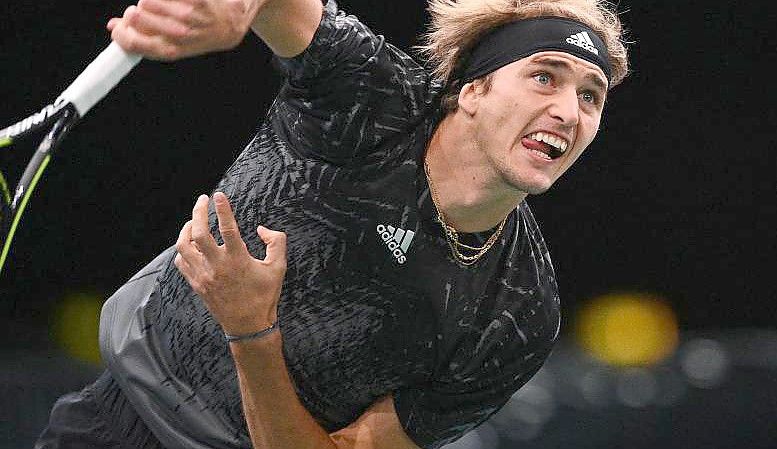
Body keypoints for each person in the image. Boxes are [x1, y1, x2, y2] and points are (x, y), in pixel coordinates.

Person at [35, 0, 629, 448]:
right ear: (473, 91)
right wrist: (233, 9)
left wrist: (251, 329)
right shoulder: (372, 95)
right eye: (545, 76)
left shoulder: (519, 312)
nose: (567, 111)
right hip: (110, 418)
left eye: (591, 97)